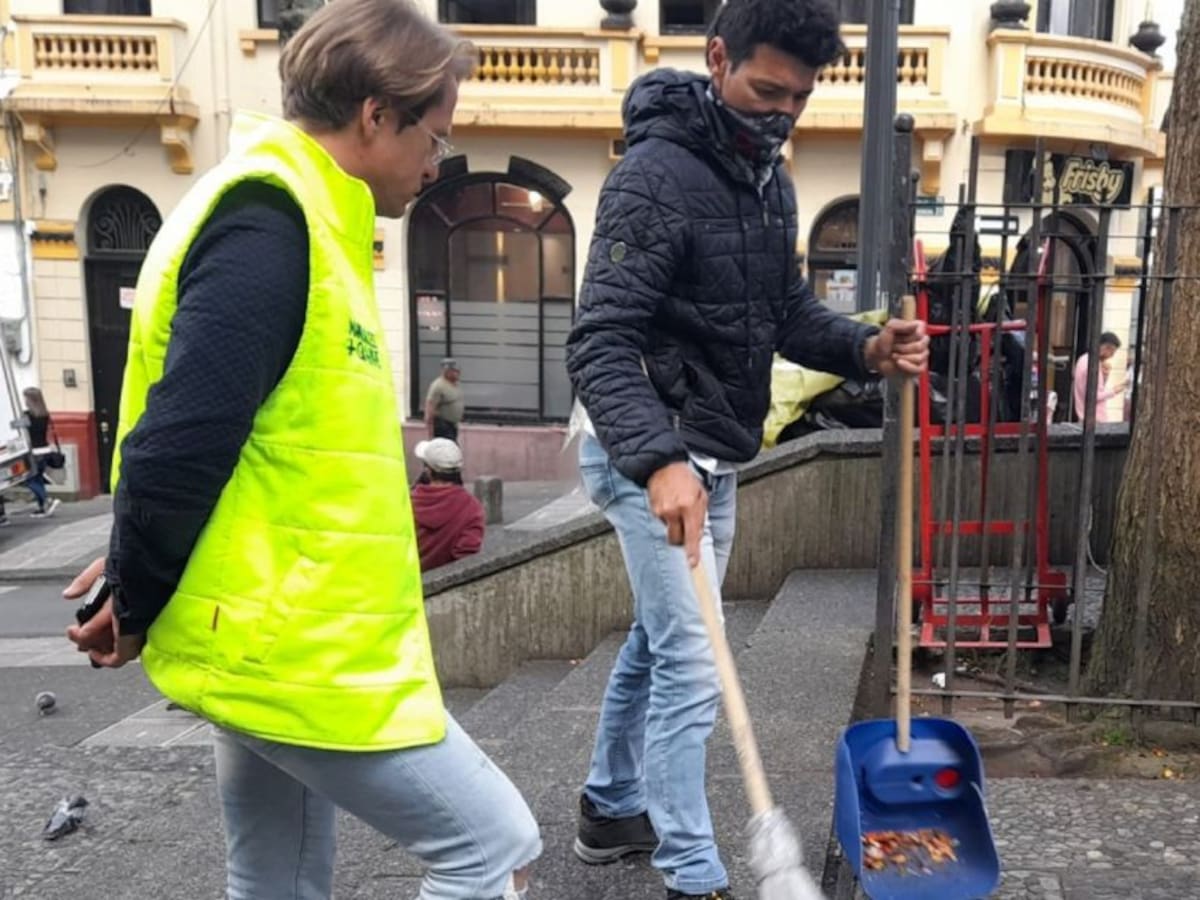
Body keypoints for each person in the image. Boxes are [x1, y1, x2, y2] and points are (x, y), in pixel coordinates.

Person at [62, 3, 540, 898]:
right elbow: (182, 439)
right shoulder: (270, 224)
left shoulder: (296, 217)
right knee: (492, 846)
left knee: (274, 876)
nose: (436, 165)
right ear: (376, 115)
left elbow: (254, 445)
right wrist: (135, 585)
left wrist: (139, 566)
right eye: (435, 138)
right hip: (300, 649)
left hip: (277, 632)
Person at [563, 1, 929, 898]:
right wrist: (659, 461)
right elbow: (601, 338)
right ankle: (694, 874)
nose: (782, 115)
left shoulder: (769, 179)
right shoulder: (653, 177)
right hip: (643, 450)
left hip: (714, 450)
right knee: (695, 663)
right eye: (767, 92)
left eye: (798, 99)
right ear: (719, 58)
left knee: (663, 640)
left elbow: (784, 313)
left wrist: (866, 349)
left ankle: (608, 807)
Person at [411, 438, 485, 570]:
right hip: (445, 580)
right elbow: (467, 557)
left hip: (407, 579)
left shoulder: (407, 502)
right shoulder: (472, 507)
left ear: (428, 471)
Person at [23, 386, 61, 519]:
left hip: (34, 452)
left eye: (26, 398)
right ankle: (42, 508)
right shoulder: (45, 415)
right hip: (45, 450)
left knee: (30, 480)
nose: (25, 401)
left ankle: (47, 500)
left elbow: (18, 427)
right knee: (38, 478)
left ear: (30, 400)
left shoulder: (27, 416)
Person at [1073, 331, 1125, 424]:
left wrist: (1104, 377)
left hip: (1084, 415)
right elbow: (1094, 396)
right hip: (1095, 418)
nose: (1112, 356)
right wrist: (1114, 391)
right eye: (1112, 352)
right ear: (1106, 348)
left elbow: (1093, 389)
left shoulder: (1083, 359)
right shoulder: (1092, 365)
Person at [425, 357, 464, 441]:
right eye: (455, 371)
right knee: (448, 447)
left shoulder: (454, 384)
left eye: (458, 371)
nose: (458, 373)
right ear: (447, 371)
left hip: (453, 425)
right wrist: (430, 427)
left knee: (452, 446)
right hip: (442, 425)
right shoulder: (438, 385)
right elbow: (430, 406)